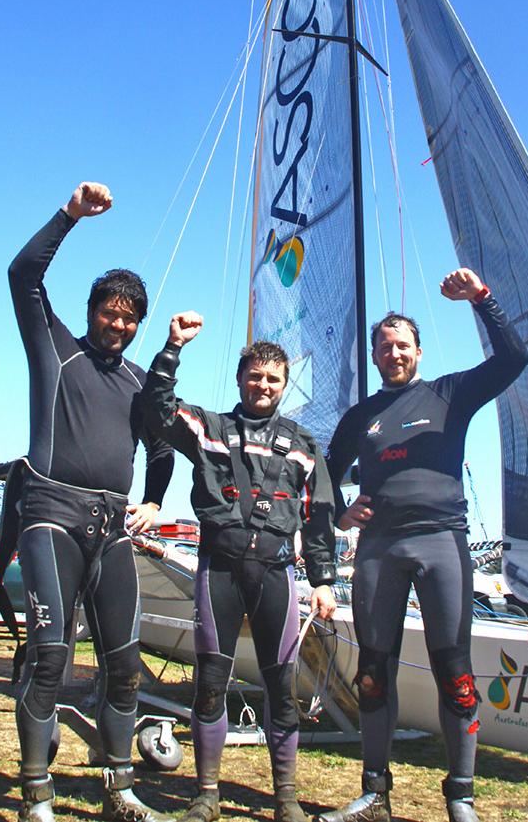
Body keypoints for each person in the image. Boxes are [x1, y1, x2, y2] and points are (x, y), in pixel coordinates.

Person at [322, 269, 528, 822]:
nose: (394, 353)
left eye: (403, 345)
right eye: (384, 346)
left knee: (455, 674)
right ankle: (374, 794)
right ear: (373, 355)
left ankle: (460, 796)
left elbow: (514, 359)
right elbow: (320, 475)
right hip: (379, 550)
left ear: (418, 351)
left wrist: (482, 299)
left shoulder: (450, 394)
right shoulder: (359, 417)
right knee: (372, 673)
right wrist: (338, 514)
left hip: (442, 544)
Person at [7, 183, 175, 822]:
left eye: (132, 317)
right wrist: (69, 215)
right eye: (112, 312)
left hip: (113, 527)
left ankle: (119, 788)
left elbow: (161, 451)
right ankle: (36, 796)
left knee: (125, 666)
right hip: (51, 515)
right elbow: (22, 273)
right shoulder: (55, 347)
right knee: (52, 658)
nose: (121, 325)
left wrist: (155, 503)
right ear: (93, 310)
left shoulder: (138, 381)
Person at [141, 311, 337, 822]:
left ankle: (286, 799)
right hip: (219, 571)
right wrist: (172, 348)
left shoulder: (304, 445)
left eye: (273, 378)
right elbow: (155, 411)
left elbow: (318, 517)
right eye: (255, 376)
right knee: (210, 684)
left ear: (284, 384)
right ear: (240, 379)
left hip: (275, 574)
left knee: (281, 687)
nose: (263, 385)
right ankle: (206, 795)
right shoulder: (208, 428)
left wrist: (323, 581)